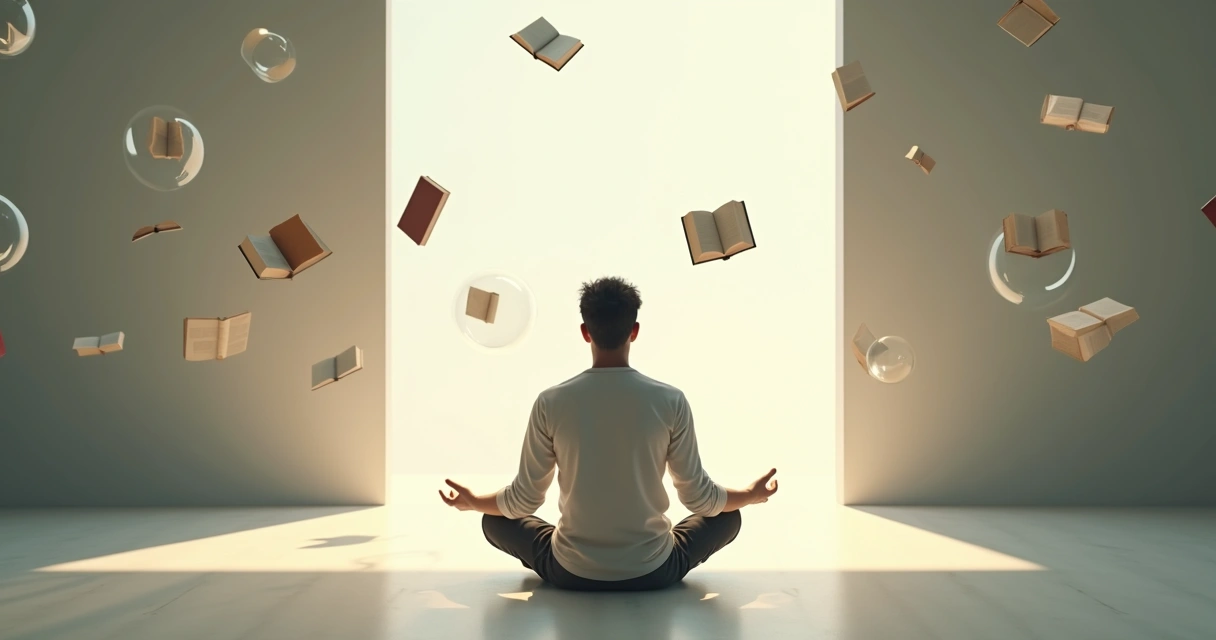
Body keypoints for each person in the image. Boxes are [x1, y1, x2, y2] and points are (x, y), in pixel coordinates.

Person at [438, 276, 779, 591]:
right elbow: (700, 499)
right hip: (653, 570)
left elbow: (523, 500)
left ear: (585, 332)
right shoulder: (670, 400)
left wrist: (474, 502)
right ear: (635, 330)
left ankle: (578, 551)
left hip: (570, 571)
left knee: (494, 521)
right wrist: (749, 494)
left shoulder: (550, 402)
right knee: (728, 517)